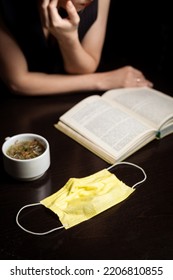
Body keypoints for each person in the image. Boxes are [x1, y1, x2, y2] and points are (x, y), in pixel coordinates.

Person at [0, 0, 153, 96]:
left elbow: (85, 67)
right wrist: (104, 80)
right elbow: (17, 82)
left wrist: (68, 38)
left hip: (70, 101)